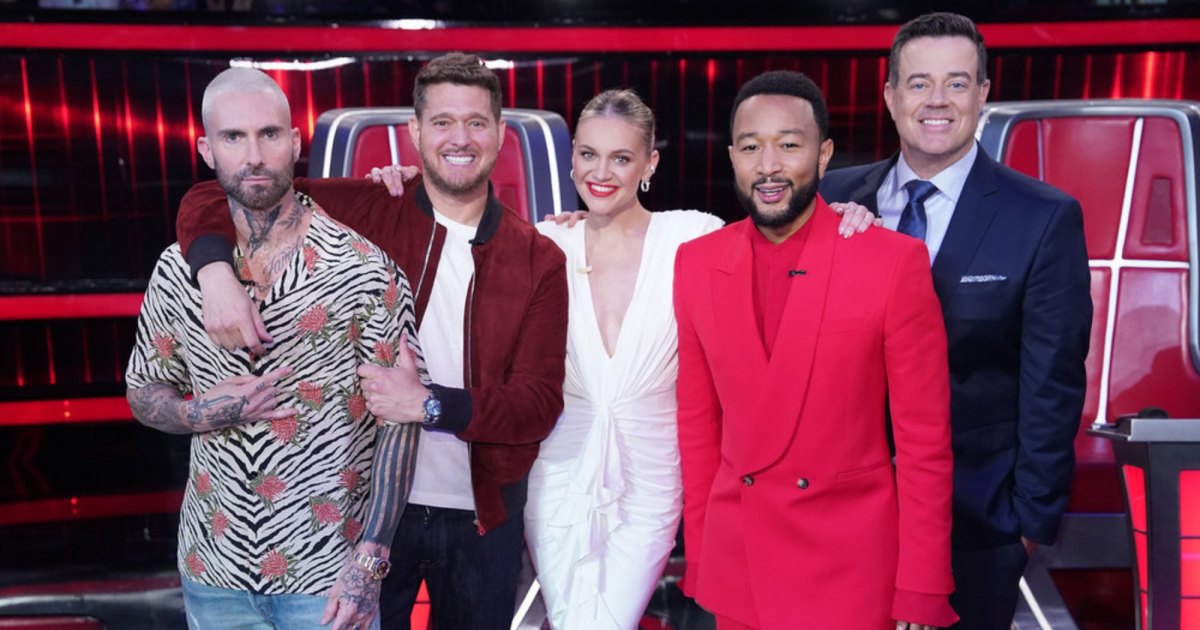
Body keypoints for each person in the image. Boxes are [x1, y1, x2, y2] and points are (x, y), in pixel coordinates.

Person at [172, 53, 569, 629]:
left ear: (500, 133)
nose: (460, 138)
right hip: (369, 513)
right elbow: (222, 194)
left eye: (476, 122)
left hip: (483, 518)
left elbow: (538, 404)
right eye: (442, 121)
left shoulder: (538, 258)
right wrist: (214, 273)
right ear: (414, 132)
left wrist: (429, 405)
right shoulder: (369, 205)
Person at [818, 13, 1092, 629]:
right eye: (919, 83)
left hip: (974, 524)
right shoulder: (830, 199)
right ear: (890, 96)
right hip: (837, 519)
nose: (937, 100)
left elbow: (1052, 383)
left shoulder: (1043, 217)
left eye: (957, 83)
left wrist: (1026, 527)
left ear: (983, 94)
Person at [125, 67, 420, 630]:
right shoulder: (177, 270)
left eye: (269, 134)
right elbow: (144, 390)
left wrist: (371, 560)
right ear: (207, 151)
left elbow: (401, 422)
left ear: (296, 142)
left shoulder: (362, 268)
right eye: (234, 137)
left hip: (328, 573)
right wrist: (199, 412)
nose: (254, 155)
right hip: (212, 568)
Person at [673, 69, 957, 629]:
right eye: (751, 147)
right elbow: (698, 428)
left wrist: (921, 584)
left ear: (824, 155)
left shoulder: (890, 262)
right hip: (742, 566)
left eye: (788, 145)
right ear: (732, 158)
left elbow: (924, 444)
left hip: (849, 572)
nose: (768, 166)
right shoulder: (697, 263)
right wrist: (703, 557)